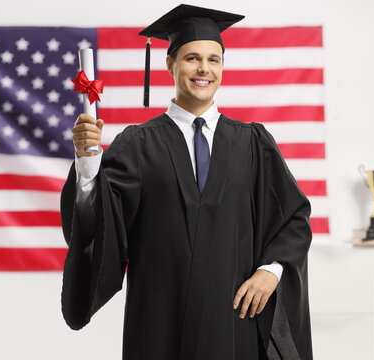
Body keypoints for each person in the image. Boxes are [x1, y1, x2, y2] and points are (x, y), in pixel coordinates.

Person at [60, 4, 313, 359]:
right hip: (159, 325)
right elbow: (97, 225)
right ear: (170, 64)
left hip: (234, 321)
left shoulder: (253, 144)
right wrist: (88, 167)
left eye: (214, 59)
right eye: (192, 58)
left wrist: (271, 271)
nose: (204, 69)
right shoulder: (137, 144)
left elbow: (293, 219)